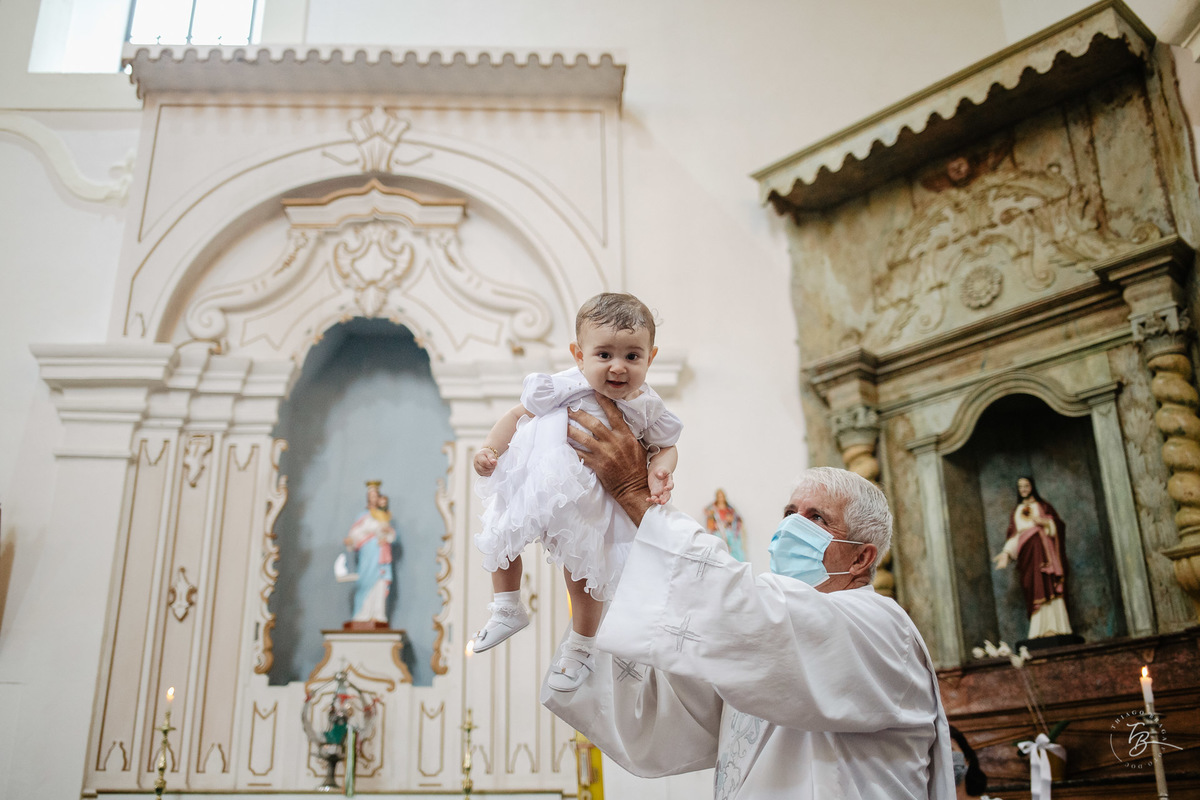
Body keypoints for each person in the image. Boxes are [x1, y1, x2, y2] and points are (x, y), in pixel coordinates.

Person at [543, 395, 954, 799]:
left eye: (816, 517)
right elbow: (659, 718)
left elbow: (753, 613)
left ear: (862, 557)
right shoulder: (765, 645)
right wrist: (598, 576)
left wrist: (635, 492)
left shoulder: (880, 625)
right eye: (789, 512)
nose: (793, 525)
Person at [470, 293, 682, 692]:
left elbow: (667, 445)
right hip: (538, 480)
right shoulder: (564, 383)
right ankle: (506, 607)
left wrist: (660, 471)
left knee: (584, 573)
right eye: (604, 354)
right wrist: (489, 449)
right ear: (579, 354)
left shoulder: (646, 405)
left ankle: (581, 647)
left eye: (632, 357)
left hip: (591, 498)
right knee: (501, 533)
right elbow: (518, 415)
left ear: (650, 358)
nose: (618, 366)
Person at [992, 476, 1071, 639]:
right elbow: (1015, 536)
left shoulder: (1042, 506)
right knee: (1033, 588)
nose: (1024, 489)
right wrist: (1006, 553)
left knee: (1049, 585)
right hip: (1028, 558)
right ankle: (1039, 630)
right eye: (1020, 487)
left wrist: (1044, 522)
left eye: (1026, 486)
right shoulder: (1017, 511)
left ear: (1032, 487)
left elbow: (1058, 526)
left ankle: (1057, 627)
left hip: (1045, 554)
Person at [344, 483, 395, 625]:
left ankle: (378, 614)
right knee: (365, 582)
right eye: (371, 496)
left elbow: (391, 534)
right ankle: (362, 614)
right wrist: (351, 540)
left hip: (380, 555)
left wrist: (386, 536)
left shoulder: (383, 516)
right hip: (367, 554)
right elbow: (355, 535)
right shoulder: (363, 517)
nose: (373, 499)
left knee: (380, 582)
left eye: (375, 496)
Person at [705, 488, 747, 561]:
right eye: (719, 496)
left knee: (735, 546)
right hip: (719, 533)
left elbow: (737, 520)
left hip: (729, 533)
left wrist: (731, 520)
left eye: (722, 496)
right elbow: (710, 524)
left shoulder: (730, 509)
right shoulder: (712, 510)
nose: (721, 498)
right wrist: (716, 526)